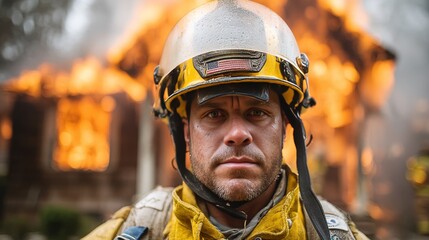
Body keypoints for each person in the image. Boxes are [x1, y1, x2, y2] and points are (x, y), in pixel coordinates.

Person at [83, 0, 369, 239]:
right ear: (185, 133)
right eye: (213, 114)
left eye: (257, 112)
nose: (237, 134)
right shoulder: (138, 230)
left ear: (285, 127)